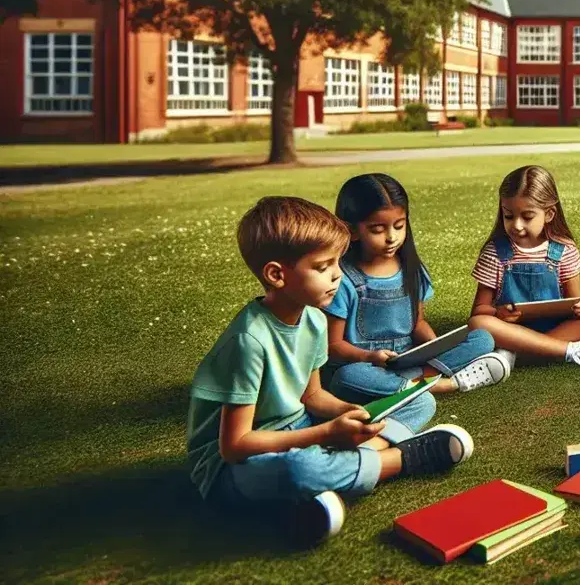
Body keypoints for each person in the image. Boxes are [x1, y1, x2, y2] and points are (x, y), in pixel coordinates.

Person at [187, 197, 472, 544]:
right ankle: (398, 459)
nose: (338, 274)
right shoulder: (249, 341)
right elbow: (235, 446)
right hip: (230, 469)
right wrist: (325, 436)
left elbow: (312, 395)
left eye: (337, 261)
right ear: (277, 275)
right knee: (298, 469)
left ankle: (328, 480)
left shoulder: (312, 319)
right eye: (323, 266)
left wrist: (347, 412)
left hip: (297, 428)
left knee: (420, 403)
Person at [327, 173, 509, 399]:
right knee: (345, 378)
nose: (391, 237)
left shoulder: (411, 269)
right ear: (351, 231)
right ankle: (446, 384)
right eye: (377, 229)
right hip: (366, 364)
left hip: (409, 359)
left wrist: (436, 345)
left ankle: (409, 384)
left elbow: (418, 323)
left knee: (483, 338)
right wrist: (369, 357)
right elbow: (333, 345)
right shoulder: (341, 279)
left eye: (399, 225)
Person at [468, 165, 580, 367]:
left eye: (527, 217)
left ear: (549, 214)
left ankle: (519, 354)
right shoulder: (495, 252)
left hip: (555, 327)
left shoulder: (564, 249)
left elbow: (576, 301)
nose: (517, 225)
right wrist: (498, 313)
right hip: (509, 330)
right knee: (479, 324)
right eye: (509, 216)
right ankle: (571, 351)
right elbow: (479, 311)